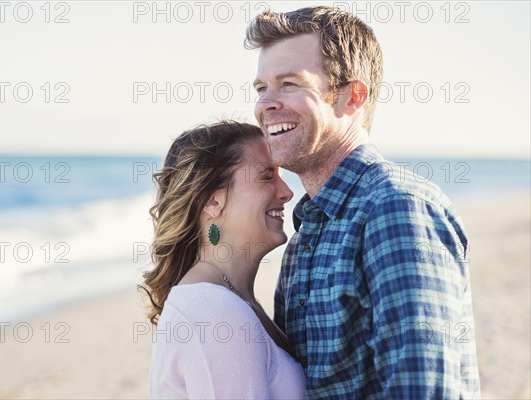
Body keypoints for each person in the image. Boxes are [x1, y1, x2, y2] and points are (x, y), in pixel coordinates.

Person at [245, 6, 481, 399]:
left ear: (352, 97)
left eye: (289, 83)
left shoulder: (394, 209)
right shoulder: (308, 231)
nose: (265, 104)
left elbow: (423, 390)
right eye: (261, 88)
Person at [141, 121, 306, 399]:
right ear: (212, 201)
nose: (287, 192)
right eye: (267, 176)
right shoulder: (214, 311)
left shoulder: (230, 301)